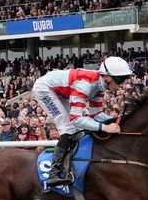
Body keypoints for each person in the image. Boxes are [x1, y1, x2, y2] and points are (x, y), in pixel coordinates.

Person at [31, 56, 129, 187]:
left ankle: (69, 166)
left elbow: (97, 114)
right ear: (107, 77)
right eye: (119, 79)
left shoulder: (99, 87)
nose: (121, 84)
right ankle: (53, 174)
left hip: (60, 92)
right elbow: (76, 118)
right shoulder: (86, 84)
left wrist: (119, 121)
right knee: (69, 128)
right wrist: (105, 128)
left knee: (76, 129)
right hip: (44, 89)